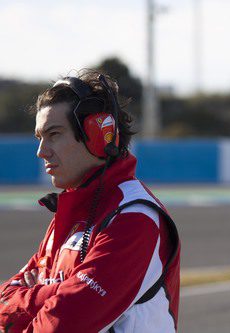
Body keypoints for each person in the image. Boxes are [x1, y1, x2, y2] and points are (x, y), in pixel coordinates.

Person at [0, 70, 180, 332]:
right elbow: (5, 300)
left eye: (54, 134)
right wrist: (54, 293)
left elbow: (63, 323)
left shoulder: (135, 217)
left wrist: (40, 293)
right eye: (40, 138)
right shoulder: (69, 215)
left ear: (98, 136)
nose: (41, 152)